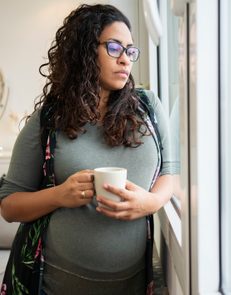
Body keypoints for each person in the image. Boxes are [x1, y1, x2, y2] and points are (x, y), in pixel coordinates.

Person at [0, 4, 177, 295]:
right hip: (54, 284)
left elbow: (171, 171)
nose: (125, 60)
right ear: (84, 50)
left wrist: (152, 202)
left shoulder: (148, 108)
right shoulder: (49, 118)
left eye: (130, 51)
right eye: (114, 47)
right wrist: (59, 195)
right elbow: (8, 206)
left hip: (131, 285)